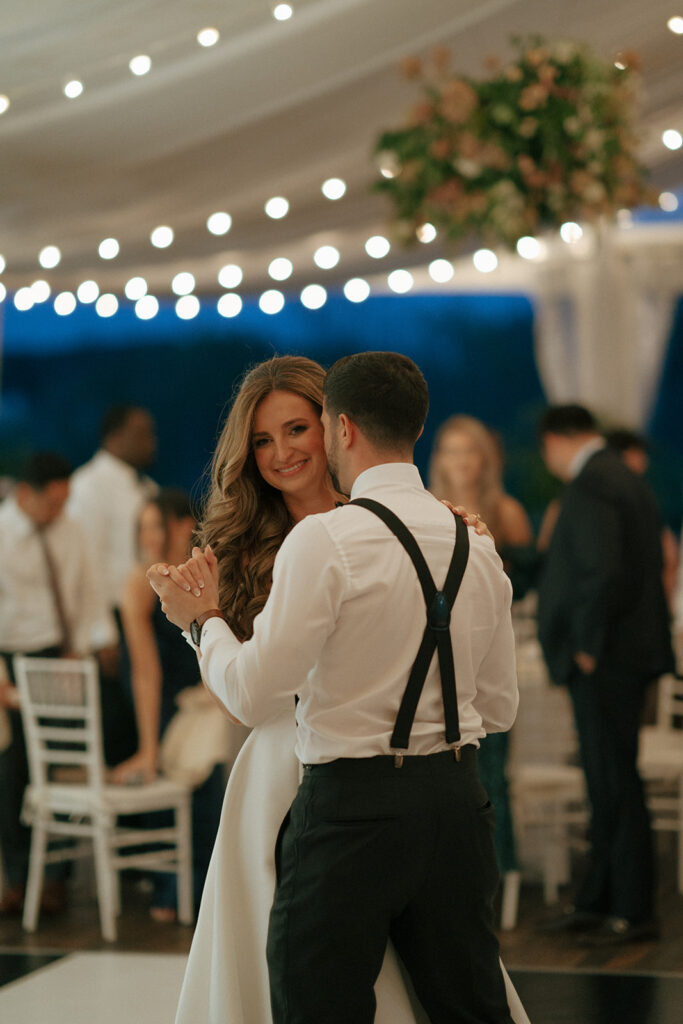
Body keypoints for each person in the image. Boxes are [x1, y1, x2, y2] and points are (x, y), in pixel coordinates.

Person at [150, 353, 528, 1024]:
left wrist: (202, 624)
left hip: (347, 788)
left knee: (333, 988)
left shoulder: (407, 530)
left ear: (335, 427)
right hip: (288, 776)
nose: (281, 452)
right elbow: (247, 697)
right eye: (261, 440)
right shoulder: (237, 544)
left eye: (297, 428)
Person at [537, 405, 675, 946]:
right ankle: (599, 900)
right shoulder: (619, 474)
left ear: (556, 440)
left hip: (609, 658)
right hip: (625, 655)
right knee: (608, 779)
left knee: (613, 781)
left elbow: (600, 567)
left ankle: (633, 910)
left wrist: (588, 646)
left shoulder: (593, 480)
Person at [0, 452, 118, 916]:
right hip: (10, 660)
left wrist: (86, 649)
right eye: (52, 503)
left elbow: (89, 593)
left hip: (63, 656)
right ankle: (17, 878)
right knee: (13, 773)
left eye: (65, 502)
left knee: (67, 763)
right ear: (25, 494)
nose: (59, 511)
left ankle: (56, 881)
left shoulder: (73, 530)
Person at [112, 489, 225, 919]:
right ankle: (179, 890)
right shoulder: (138, 582)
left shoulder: (204, 574)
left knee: (218, 746)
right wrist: (148, 748)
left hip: (198, 700)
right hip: (157, 707)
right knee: (209, 753)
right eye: (142, 529)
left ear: (181, 526)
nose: (150, 538)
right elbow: (145, 672)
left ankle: (203, 891)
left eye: (156, 526)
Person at [68, 404, 158, 764]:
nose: (152, 441)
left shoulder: (145, 486)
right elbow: (85, 564)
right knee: (121, 720)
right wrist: (101, 633)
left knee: (148, 713)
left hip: (150, 613)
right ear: (115, 437)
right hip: (112, 617)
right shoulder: (88, 485)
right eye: (143, 434)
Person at [605, 428, 679, 608]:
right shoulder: (611, 501)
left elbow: (669, 555)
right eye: (638, 454)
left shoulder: (644, 497)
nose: (644, 461)